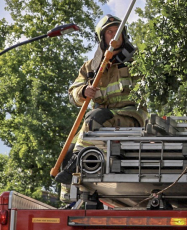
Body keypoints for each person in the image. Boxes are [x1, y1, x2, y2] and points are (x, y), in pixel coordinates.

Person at [55, 14, 146, 184]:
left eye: (118, 31)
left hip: (130, 117)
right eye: (110, 32)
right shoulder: (90, 67)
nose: (114, 35)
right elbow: (73, 94)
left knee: (96, 117)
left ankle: (76, 164)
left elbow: (149, 87)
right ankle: (70, 201)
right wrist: (83, 92)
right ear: (101, 37)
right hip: (98, 120)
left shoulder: (137, 61)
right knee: (66, 154)